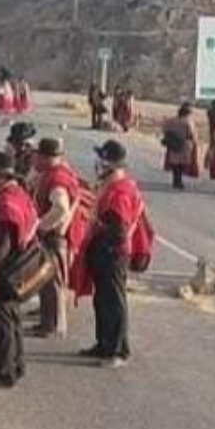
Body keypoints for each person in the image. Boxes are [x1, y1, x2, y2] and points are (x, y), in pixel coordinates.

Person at [80, 140, 146, 368]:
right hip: (105, 251)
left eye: (102, 159)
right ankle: (104, 343)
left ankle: (117, 350)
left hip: (113, 254)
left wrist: (103, 245)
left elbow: (119, 229)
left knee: (114, 301)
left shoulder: (120, 192)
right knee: (102, 299)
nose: (97, 164)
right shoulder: (112, 186)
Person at [0, 152, 39, 389]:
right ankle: (16, 364)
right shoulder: (19, 195)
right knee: (13, 319)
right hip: (20, 267)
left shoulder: (5, 204)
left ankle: (5, 370)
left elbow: (1, 247)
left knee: (0, 322)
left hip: (6, 270)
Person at [31, 138, 85, 340]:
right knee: (49, 281)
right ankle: (48, 320)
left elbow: (60, 208)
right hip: (57, 235)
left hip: (55, 237)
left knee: (52, 281)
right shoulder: (58, 174)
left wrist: (41, 226)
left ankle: (52, 325)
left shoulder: (57, 180)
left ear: (45, 157)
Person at [161, 103, 199, 190]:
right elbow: (192, 134)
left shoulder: (171, 120)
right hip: (184, 145)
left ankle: (175, 180)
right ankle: (179, 181)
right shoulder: (188, 122)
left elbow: (164, 129)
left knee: (175, 163)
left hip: (173, 143)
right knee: (181, 164)